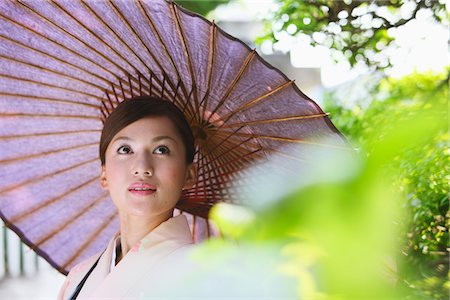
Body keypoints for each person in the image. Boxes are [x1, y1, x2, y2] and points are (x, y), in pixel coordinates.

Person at [58, 95, 198, 299]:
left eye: (161, 150)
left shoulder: (203, 276)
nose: (142, 168)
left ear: (189, 174)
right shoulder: (80, 277)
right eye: (125, 149)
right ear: (104, 174)